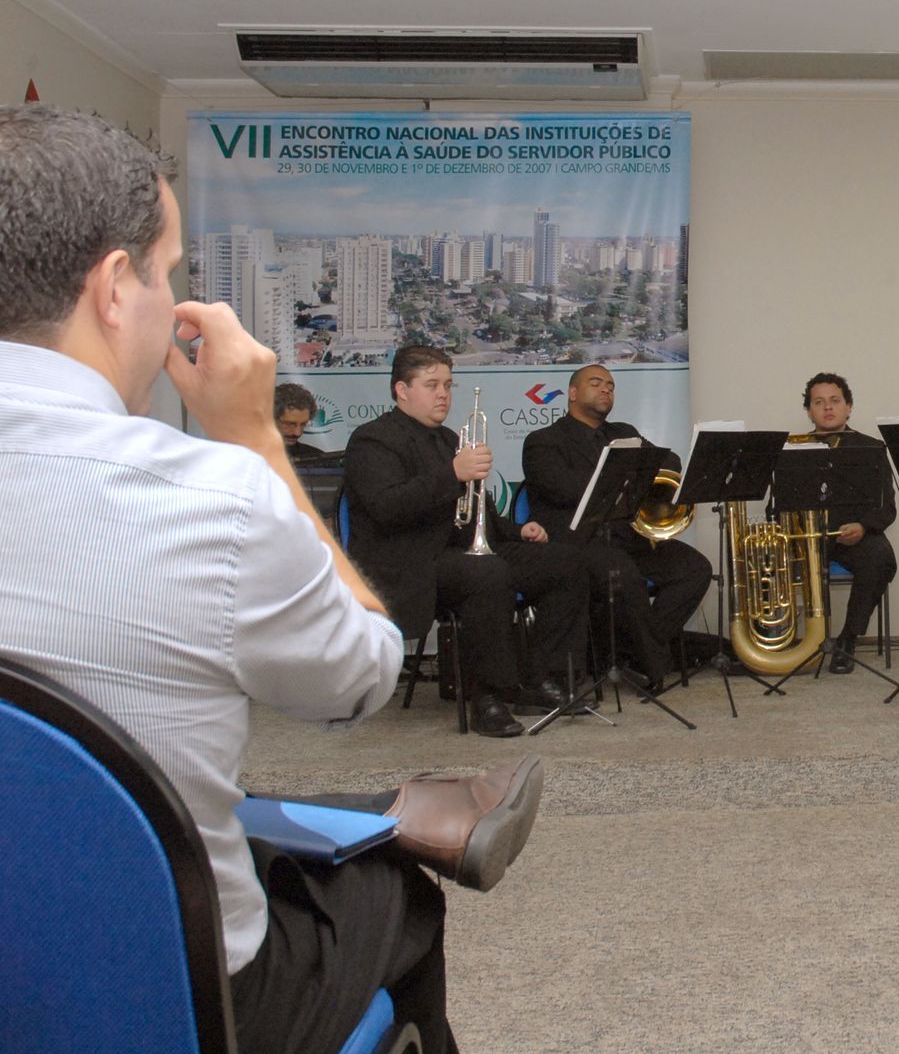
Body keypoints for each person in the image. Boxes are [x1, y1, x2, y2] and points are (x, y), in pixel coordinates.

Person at [0, 104, 541, 1053]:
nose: (172, 300)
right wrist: (251, 436)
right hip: (166, 994)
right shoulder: (208, 495)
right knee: (390, 894)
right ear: (114, 288)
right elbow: (359, 679)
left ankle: (371, 814)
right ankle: (390, 828)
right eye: (166, 272)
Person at [344, 346, 590, 737]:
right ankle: (487, 696)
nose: (443, 394)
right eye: (431, 385)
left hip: (461, 556)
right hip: (408, 564)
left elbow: (480, 512)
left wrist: (515, 531)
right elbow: (386, 508)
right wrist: (452, 473)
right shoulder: (371, 440)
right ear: (402, 390)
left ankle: (539, 677)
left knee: (567, 562)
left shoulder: (448, 439)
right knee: (486, 573)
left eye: (447, 385)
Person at [520, 363, 713, 691]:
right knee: (623, 575)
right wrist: (623, 475)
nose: (606, 389)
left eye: (610, 385)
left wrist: (636, 471)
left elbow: (669, 462)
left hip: (628, 536)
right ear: (572, 393)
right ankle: (651, 661)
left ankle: (631, 653)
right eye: (595, 383)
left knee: (695, 569)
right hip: (577, 542)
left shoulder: (624, 432)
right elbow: (562, 487)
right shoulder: (543, 441)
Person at [791, 372, 896, 673]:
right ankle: (771, 646)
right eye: (818, 402)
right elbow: (778, 505)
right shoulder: (791, 450)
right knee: (759, 555)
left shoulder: (872, 448)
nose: (827, 408)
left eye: (835, 401)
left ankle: (847, 640)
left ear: (849, 407)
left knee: (881, 558)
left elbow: (887, 507)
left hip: (853, 536)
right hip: (806, 537)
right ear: (809, 411)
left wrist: (863, 526)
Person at [275, 380, 326, 460]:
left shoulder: (317, 459)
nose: (297, 433)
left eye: (303, 424)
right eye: (290, 424)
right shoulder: (250, 456)